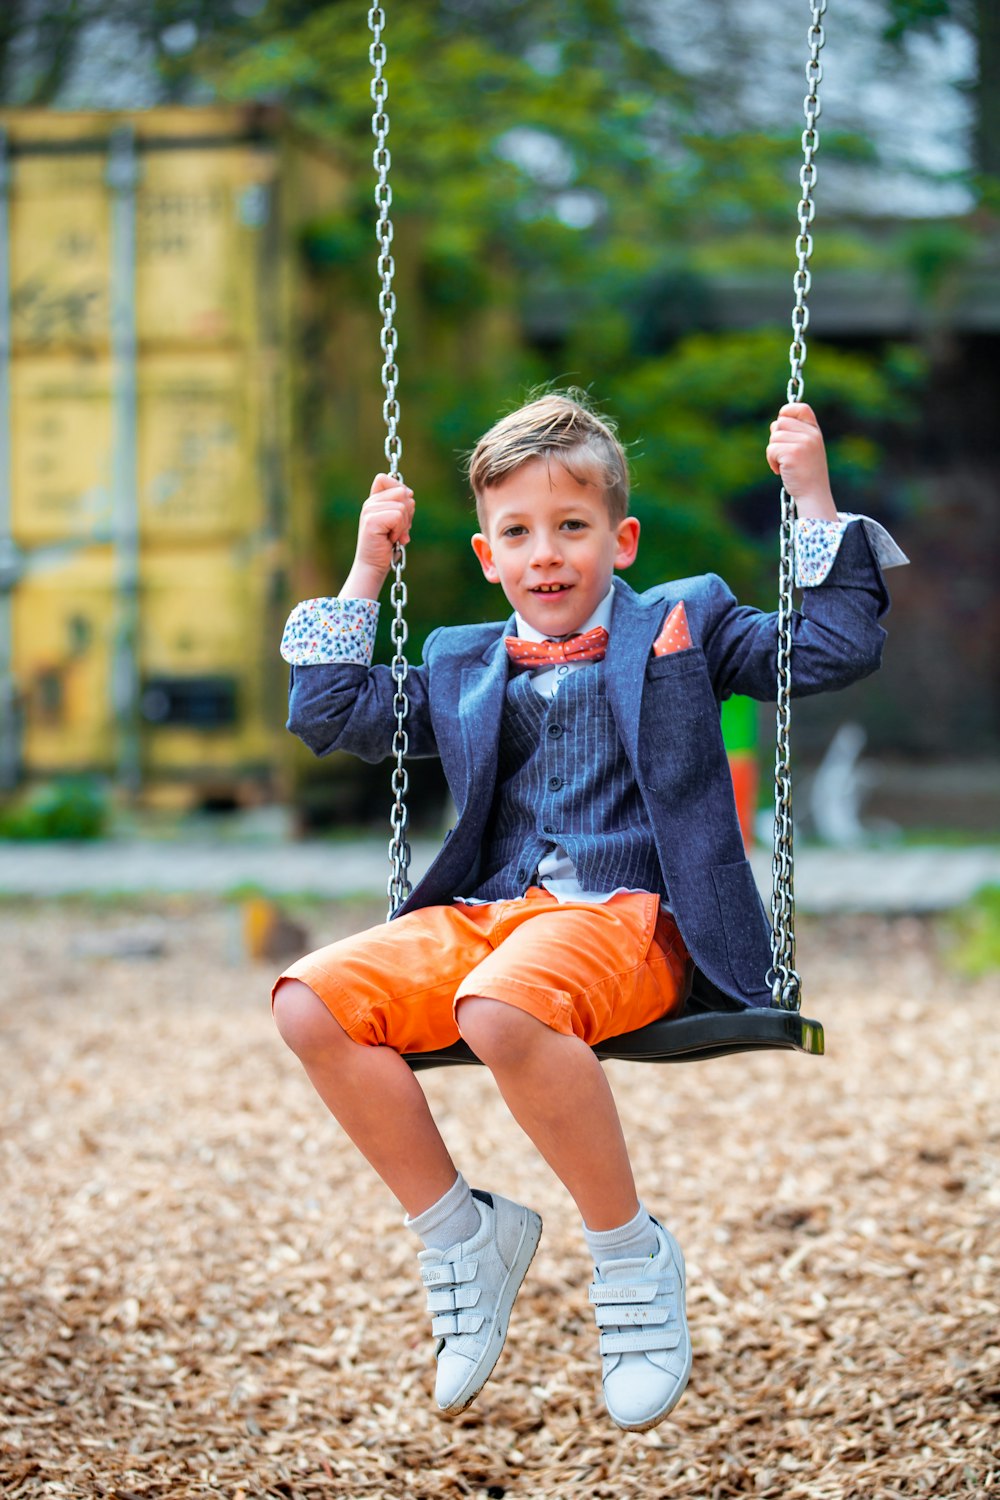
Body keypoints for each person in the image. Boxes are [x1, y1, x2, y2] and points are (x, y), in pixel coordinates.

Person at [271, 391, 906, 1432]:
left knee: (501, 1011)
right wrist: (368, 568)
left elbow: (829, 652)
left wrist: (810, 495)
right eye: (517, 533)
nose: (546, 555)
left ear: (623, 538)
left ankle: (628, 1259)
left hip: (626, 915)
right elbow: (329, 710)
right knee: (309, 1004)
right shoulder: (460, 661)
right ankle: (462, 1235)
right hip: (492, 912)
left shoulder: (682, 622)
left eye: (571, 528)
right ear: (486, 555)